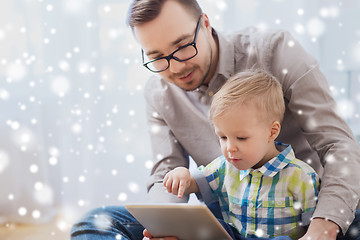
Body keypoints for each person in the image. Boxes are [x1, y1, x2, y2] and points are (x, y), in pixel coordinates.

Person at [71, 0, 360, 239]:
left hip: (308, 213)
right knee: (96, 223)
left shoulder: (276, 50)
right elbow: (167, 173)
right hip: (230, 220)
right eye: (158, 57)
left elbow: (339, 146)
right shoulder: (158, 92)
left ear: (206, 24)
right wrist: (164, 227)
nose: (176, 66)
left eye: (183, 45)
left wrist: (324, 226)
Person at [163, 69, 320, 239]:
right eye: (223, 137)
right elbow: (194, 183)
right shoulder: (224, 166)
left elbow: (315, 228)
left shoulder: (301, 176)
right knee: (211, 226)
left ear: (272, 132)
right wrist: (182, 175)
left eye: (241, 138)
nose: (230, 148)